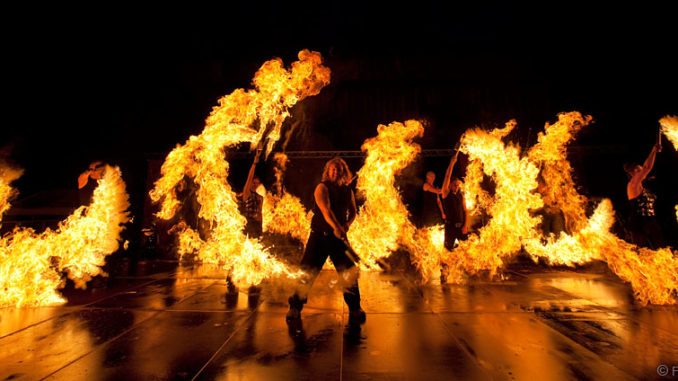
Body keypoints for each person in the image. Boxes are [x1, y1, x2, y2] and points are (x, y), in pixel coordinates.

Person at [287, 157, 364, 323]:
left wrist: (346, 226)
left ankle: (355, 308)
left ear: (343, 172)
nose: (335, 171)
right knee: (307, 272)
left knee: (349, 273)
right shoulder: (321, 188)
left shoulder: (347, 190)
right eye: (332, 169)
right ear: (328, 171)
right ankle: (295, 307)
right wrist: (337, 227)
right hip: (319, 237)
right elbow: (326, 210)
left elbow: (353, 212)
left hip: (338, 238)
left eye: (338, 169)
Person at [623, 138, 664, 249]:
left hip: (650, 220)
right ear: (632, 173)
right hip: (639, 221)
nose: (641, 169)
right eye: (638, 169)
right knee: (639, 250)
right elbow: (647, 167)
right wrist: (654, 150)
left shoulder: (642, 185)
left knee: (659, 248)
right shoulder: (633, 184)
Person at [440, 152, 468, 282]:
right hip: (450, 227)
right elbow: (447, 176)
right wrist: (452, 163)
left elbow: (465, 211)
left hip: (461, 227)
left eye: (458, 185)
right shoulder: (446, 193)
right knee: (447, 250)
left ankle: (469, 271)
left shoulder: (461, 196)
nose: (456, 187)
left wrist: (465, 225)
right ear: (450, 185)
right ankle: (444, 274)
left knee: (468, 249)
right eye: (454, 185)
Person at [239, 150, 266, 238]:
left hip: (256, 226)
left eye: (257, 183)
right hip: (247, 224)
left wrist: (261, 229)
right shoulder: (247, 193)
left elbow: (260, 213)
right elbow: (249, 178)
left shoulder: (260, 197)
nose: (255, 184)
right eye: (253, 182)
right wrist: (254, 164)